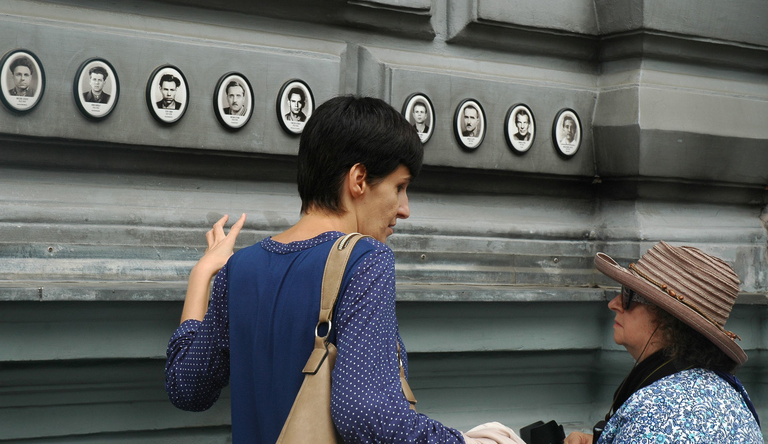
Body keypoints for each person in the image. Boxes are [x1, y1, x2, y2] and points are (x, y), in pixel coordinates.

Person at [165, 95, 524, 444]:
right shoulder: (365, 260)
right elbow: (366, 414)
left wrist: (202, 274)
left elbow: (186, 387)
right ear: (359, 179)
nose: (404, 209)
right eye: (399, 187)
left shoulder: (239, 268)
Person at [565, 242, 763, 444]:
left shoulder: (658, 414)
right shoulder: (725, 394)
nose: (613, 303)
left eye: (628, 294)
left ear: (667, 317)